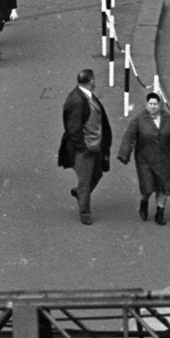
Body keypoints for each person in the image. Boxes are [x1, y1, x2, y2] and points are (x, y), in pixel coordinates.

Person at [115, 90, 170, 226]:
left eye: (155, 104)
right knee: (147, 187)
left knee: (163, 187)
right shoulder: (139, 120)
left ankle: (160, 213)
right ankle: (144, 201)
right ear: (146, 104)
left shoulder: (168, 120)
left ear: (160, 105)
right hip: (145, 160)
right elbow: (129, 137)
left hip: (165, 160)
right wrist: (124, 154)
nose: (153, 106)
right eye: (150, 103)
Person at [60, 68, 113, 226]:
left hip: (94, 145)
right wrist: (82, 148)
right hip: (85, 148)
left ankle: (80, 194)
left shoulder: (83, 96)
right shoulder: (78, 101)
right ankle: (85, 212)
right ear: (91, 81)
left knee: (97, 174)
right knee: (85, 181)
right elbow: (74, 128)